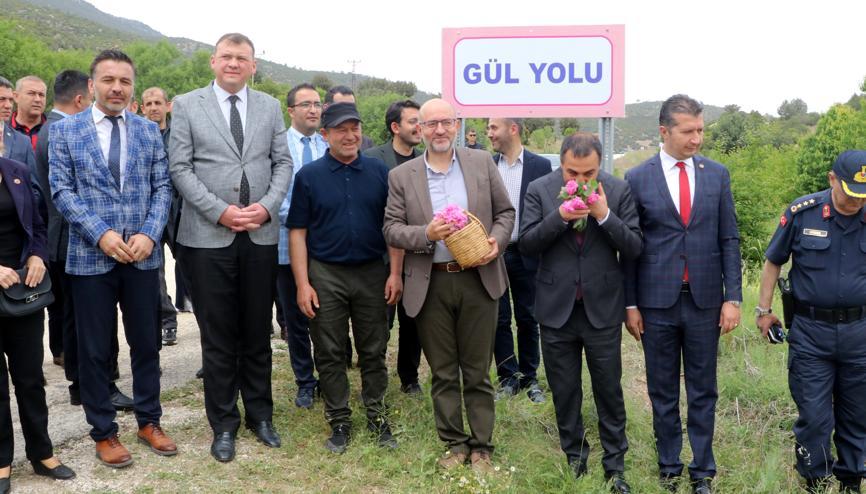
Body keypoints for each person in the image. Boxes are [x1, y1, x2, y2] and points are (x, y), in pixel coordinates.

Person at [49, 49, 176, 468]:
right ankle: (103, 431)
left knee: (147, 344)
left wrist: (149, 233)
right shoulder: (67, 133)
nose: (117, 87)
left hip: (142, 257)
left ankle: (149, 421)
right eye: (108, 80)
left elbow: (162, 189)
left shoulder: (148, 131)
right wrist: (100, 234)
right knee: (94, 349)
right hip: (91, 258)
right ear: (91, 86)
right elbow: (61, 191)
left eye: (124, 81)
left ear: (133, 87)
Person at [169, 32, 292, 463]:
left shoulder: (270, 107)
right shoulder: (186, 105)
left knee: (257, 331)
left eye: (242, 58)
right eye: (227, 57)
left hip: (259, 234)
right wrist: (220, 210)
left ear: (253, 65)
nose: (234, 64)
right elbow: (180, 169)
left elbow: (283, 164)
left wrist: (266, 207)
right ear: (213, 62)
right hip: (207, 238)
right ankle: (223, 424)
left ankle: (261, 415)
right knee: (219, 336)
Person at [382, 98, 515, 474]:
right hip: (431, 283)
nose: (438, 130)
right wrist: (425, 232)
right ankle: (455, 443)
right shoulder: (402, 176)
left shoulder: (480, 163)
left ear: (457, 125)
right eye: (430, 124)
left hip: (477, 278)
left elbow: (506, 213)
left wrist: (496, 241)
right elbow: (390, 228)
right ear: (419, 129)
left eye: (445, 123)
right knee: (442, 371)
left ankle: (482, 447)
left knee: (476, 369)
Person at [624, 94, 742, 494]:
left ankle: (703, 470)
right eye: (688, 131)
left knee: (703, 388)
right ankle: (669, 467)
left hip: (705, 301)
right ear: (664, 131)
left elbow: (729, 237)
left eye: (701, 130)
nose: (697, 139)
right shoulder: (638, 178)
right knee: (662, 390)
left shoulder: (716, 174)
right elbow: (630, 247)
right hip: (656, 303)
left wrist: (733, 298)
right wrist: (631, 304)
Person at [520, 132, 641, 493]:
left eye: (589, 173)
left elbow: (634, 246)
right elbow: (526, 245)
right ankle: (575, 456)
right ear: (561, 163)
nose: (581, 181)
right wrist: (558, 216)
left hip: (602, 308)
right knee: (564, 389)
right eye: (573, 173)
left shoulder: (617, 191)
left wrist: (604, 215)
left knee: (608, 388)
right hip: (556, 308)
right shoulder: (540, 190)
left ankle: (615, 465)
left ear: (600, 165)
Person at [288, 102, 402, 453]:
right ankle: (339, 420)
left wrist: (395, 273)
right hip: (326, 274)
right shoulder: (309, 176)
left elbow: (392, 227)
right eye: (341, 129)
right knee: (329, 349)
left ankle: (377, 416)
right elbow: (297, 232)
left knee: (373, 348)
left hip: (372, 271)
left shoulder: (380, 172)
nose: (350, 135)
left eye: (355, 128)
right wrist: (303, 283)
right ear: (325, 135)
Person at [755, 150, 866, 494]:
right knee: (816, 418)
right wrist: (763, 311)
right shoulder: (803, 213)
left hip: (860, 335)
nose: (856, 202)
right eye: (850, 193)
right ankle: (815, 481)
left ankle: (850, 481)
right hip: (811, 334)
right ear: (833, 179)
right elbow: (774, 261)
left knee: (857, 415)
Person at [35, 70, 133, 411]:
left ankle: (87, 383)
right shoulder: (62, 131)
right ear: (83, 96)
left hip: (67, 238)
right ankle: (96, 385)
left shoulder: (49, 130)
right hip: (74, 240)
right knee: (88, 320)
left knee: (76, 319)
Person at [0, 156, 76, 492]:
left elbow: (39, 225)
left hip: (23, 292)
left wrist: (36, 256)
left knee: (30, 379)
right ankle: (1, 460)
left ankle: (42, 453)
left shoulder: (16, 171)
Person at [486, 117, 550, 403]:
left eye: (493, 128)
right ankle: (507, 378)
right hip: (494, 253)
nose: (489, 134)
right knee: (498, 318)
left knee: (528, 316)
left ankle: (529, 377)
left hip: (527, 254)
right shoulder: (488, 164)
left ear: (513, 129)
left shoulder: (540, 166)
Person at [364, 99, 424, 395]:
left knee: (413, 321)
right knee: (380, 323)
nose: (419, 127)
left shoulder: (427, 161)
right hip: (380, 257)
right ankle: (374, 377)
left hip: (418, 257)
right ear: (395, 127)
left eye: (420, 121)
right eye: (414, 121)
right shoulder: (373, 159)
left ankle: (409, 378)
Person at [277, 82, 327, 409]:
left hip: (324, 248)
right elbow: (272, 193)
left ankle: (328, 377)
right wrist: (300, 219)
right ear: (291, 110)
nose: (313, 109)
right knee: (295, 318)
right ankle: (304, 381)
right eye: (305, 104)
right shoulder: (275, 146)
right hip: (284, 245)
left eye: (317, 104)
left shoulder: (330, 144)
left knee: (324, 317)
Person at [141, 86, 180, 346]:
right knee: (155, 275)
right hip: (150, 214)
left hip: (178, 212)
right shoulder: (138, 135)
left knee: (191, 271)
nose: (154, 107)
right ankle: (167, 322)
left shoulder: (180, 136)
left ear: (168, 106)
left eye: (158, 102)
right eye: (149, 103)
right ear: (142, 108)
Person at [0, 77, 37, 174]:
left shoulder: (23, 142)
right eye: (2, 99)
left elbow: (33, 187)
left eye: (11, 100)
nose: (8, 105)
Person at [324, 85, 374, 151]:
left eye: (351, 106)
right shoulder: (316, 142)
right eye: (341, 106)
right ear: (326, 108)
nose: (348, 111)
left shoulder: (366, 143)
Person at [9, 76, 47, 150]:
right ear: (16, 97)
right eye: (31, 94)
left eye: (41, 95)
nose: (37, 99)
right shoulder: (4, 128)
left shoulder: (55, 129)